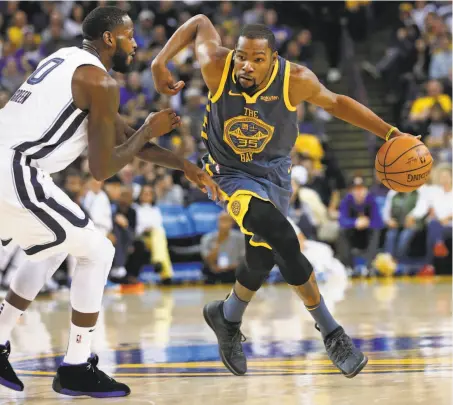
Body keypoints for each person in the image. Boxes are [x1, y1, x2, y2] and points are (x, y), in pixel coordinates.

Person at [152, 15, 419, 379]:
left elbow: (338, 102)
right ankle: (332, 332)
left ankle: (226, 316)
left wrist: (389, 132)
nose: (246, 65)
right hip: (227, 174)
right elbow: (199, 22)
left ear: (273, 60)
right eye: (242, 55)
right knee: (281, 235)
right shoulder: (217, 65)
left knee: (261, 258)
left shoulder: (296, 80)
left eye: (257, 59)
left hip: (274, 176)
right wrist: (158, 61)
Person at [0, 6, 219, 398]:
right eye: (130, 36)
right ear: (109, 39)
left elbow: (121, 133)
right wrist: (150, 128)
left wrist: (182, 164)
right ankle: (76, 367)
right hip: (15, 169)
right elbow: (102, 169)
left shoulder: (65, 60)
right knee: (99, 252)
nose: (135, 44)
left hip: (10, 166)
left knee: (53, 251)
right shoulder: (100, 84)